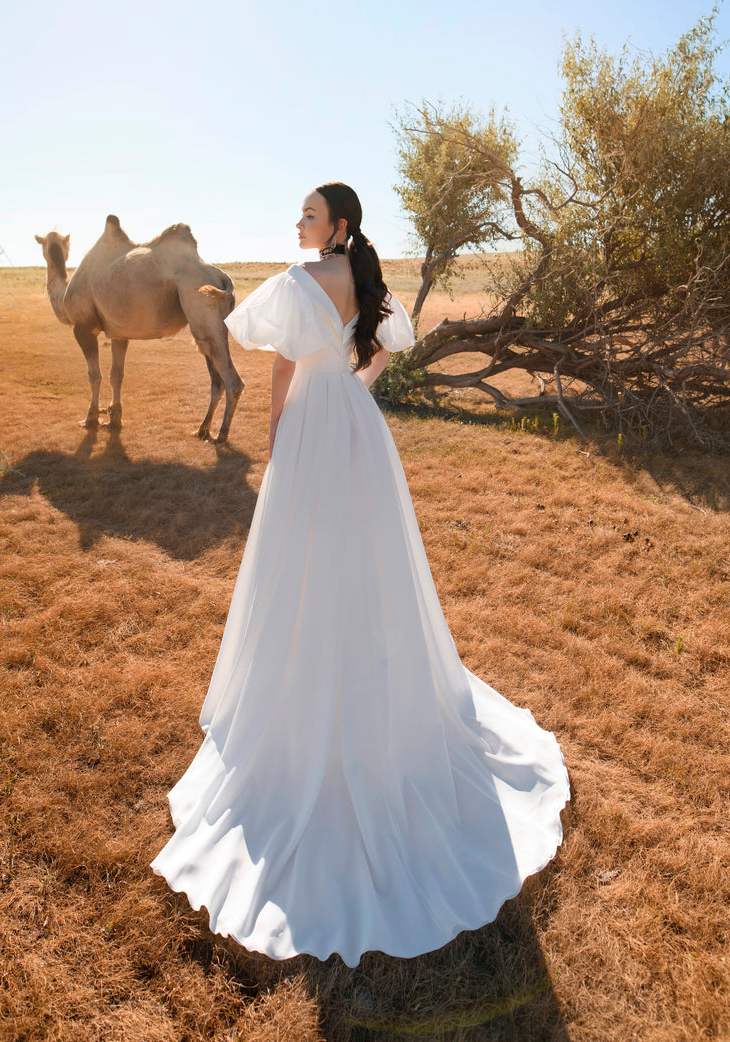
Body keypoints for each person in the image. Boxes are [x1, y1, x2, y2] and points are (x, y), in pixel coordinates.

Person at [151, 182, 569, 967]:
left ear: (338, 226)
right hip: (355, 422)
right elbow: (373, 355)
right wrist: (344, 390)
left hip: (313, 424)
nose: (298, 223)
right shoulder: (366, 283)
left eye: (309, 214)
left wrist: (282, 429)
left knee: (301, 558)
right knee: (364, 561)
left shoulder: (299, 280)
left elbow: (279, 371)